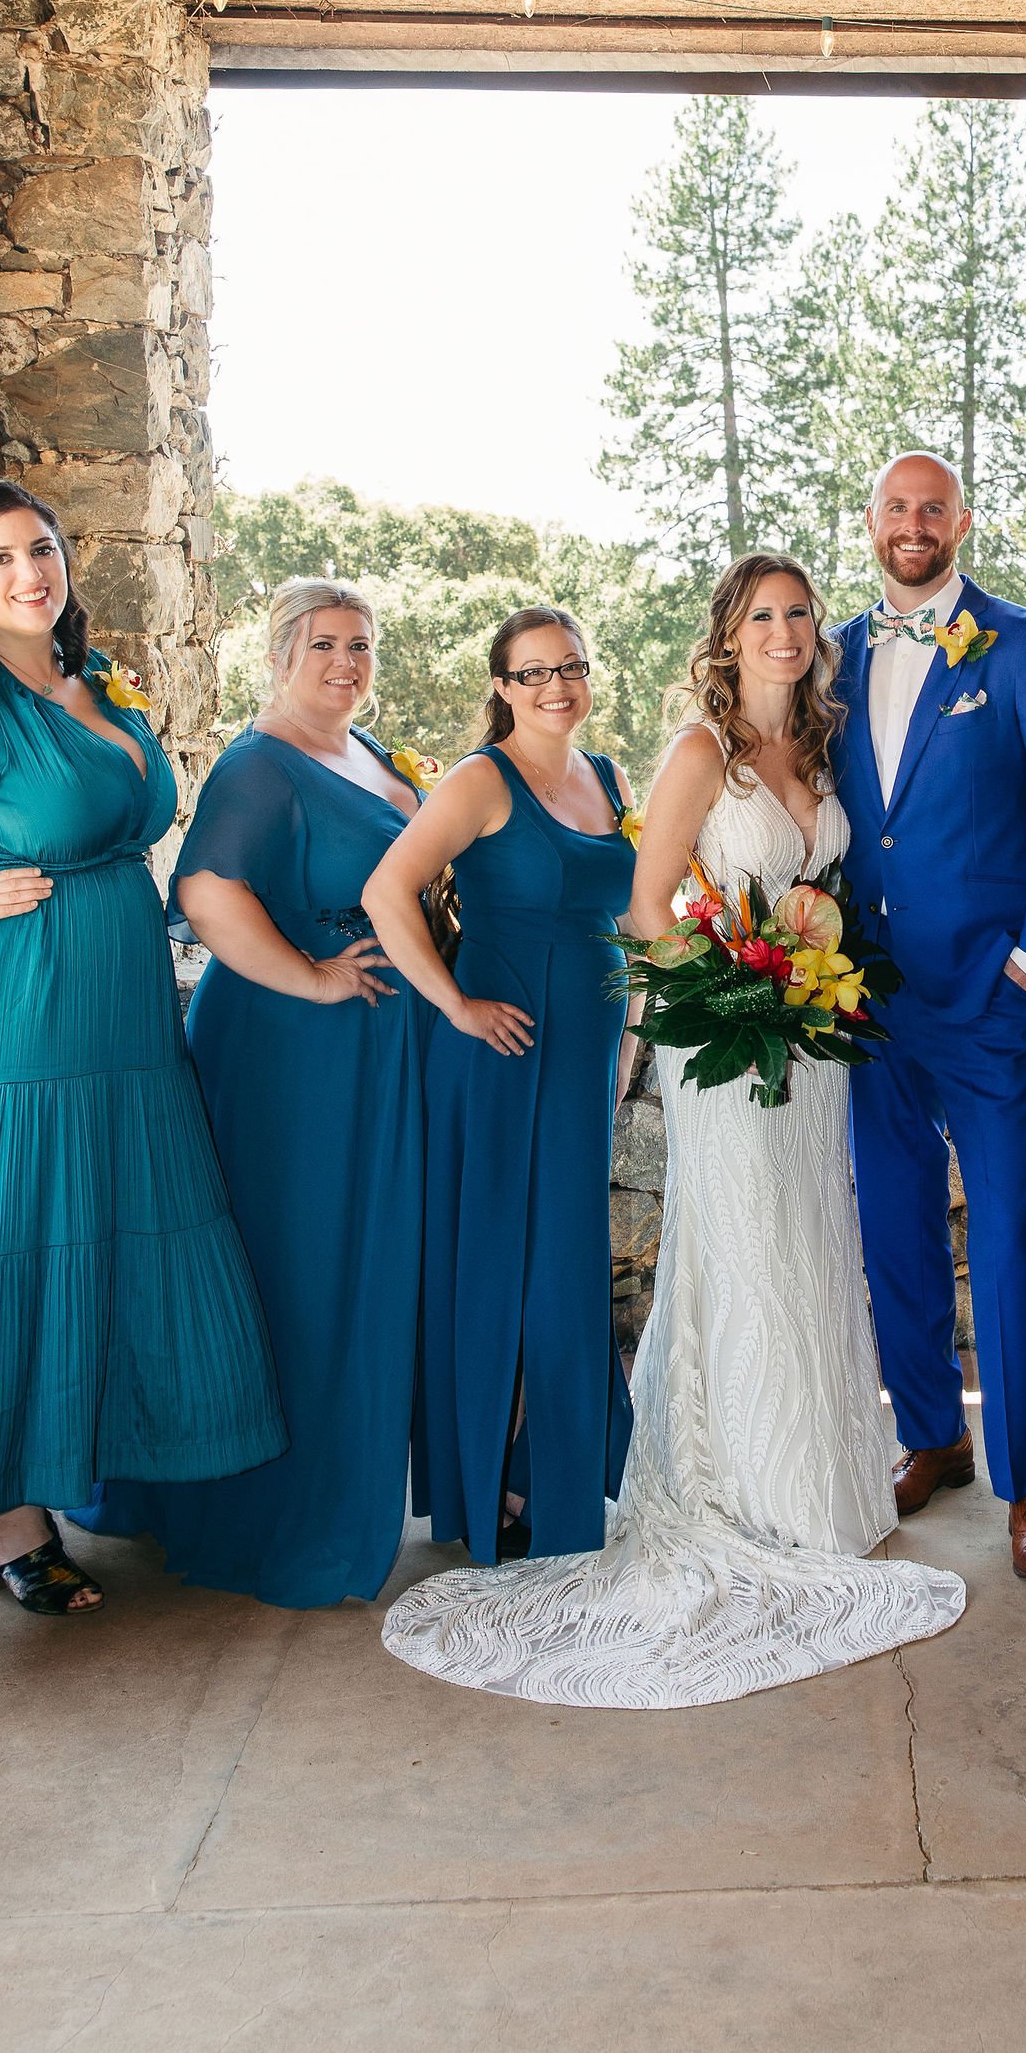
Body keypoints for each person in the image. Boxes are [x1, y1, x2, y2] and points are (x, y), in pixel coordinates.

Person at [379, 554, 964, 1706]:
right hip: (730, 1036)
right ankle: (738, 1495)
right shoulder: (698, 751)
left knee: (806, 1249)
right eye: (762, 615)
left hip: (811, 1041)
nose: (785, 631)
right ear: (727, 634)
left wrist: (810, 977)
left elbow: (827, 885)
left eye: (798, 613)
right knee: (739, 1254)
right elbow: (649, 909)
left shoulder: (822, 748)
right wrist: (752, 984)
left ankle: (818, 1485)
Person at [0, 478, 283, 1615]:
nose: (31, 573)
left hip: (119, 1013)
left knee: (113, 1224)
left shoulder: (92, 679)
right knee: (7, 1229)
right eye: (0, 559)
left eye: (42, 549)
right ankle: (1, 1518)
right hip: (5, 1011)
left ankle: (104, 1465)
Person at [78, 581, 431, 1608]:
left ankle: (333, 1481)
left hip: (369, 1049)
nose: (344, 661)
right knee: (297, 1265)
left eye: (360, 644)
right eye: (323, 643)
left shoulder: (363, 753)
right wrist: (314, 975)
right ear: (280, 653)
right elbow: (205, 891)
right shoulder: (257, 760)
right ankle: (272, 1510)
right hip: (289, 1054)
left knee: (350, 1263)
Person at [833, 453, 1026, 1583]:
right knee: (892, 1225)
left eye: (931, 507)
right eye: (895, 507)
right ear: (872, 521)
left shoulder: (1019, 640)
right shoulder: (837, 649)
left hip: (987, 994)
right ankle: (928, 1433)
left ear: (961, 521)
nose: (913, 524)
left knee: (1003, 1232)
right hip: (860, 995)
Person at [363, 608, 634, 1565]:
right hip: (502, 1051)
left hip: (586, 1051)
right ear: (502, 688)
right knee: (504, 1263)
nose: (555, 686)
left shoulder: (605, 776)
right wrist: (454, 1003)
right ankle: (501, 1484)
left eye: (570, 667)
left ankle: (547, 1472)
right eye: (532, 673)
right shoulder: (480, 779)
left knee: (565, 1259)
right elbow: (387, 892)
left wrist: (631, 1037)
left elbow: (628, 919)